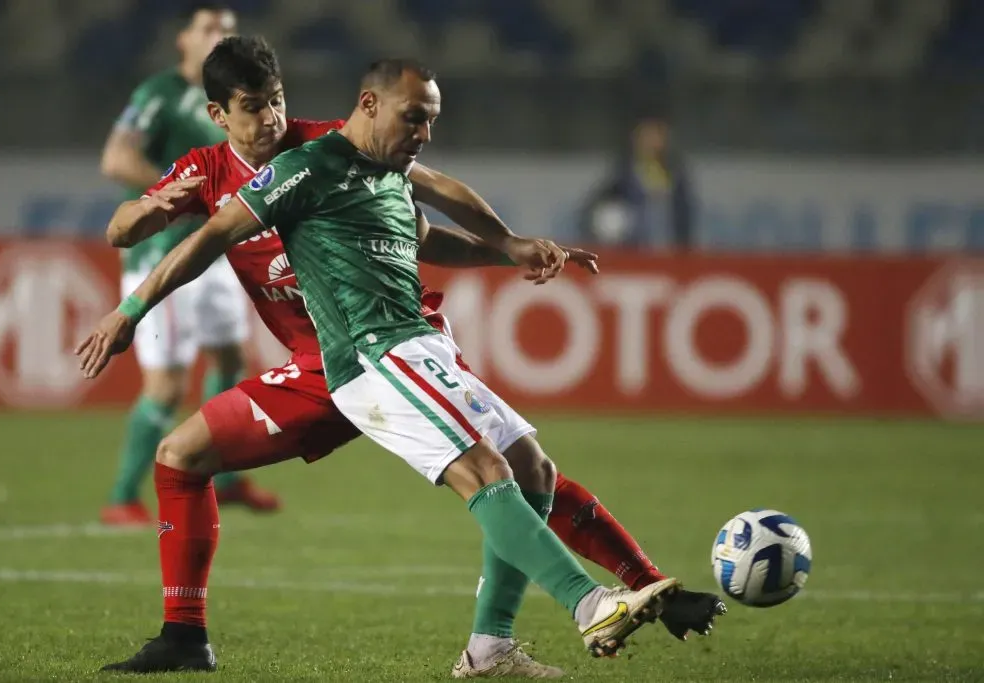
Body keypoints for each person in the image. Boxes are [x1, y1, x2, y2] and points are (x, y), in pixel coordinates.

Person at [80, 43, 724, 677]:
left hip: (396, 345)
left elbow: (425, 216)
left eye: (277, 101)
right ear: (219, 115)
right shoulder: (216, 171)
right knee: (181, 455)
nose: (271, 118)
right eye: (253, 107)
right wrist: (146, 216)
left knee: (527, 468)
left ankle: (548, 623)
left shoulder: (334, 146)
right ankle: (184, 636)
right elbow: (138, 231)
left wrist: (507, 246)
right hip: (335, 363)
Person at [98, 2, 278, 524]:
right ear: (183, 39)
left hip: (215, 249)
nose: (220, 34)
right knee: (167, 386)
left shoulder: (229, 98)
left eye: (226, 27)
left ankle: (225, 478)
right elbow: (116, 158)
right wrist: (169, 193)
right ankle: (122, 496)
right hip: (165, 252)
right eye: (208, 27)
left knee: (230, 358)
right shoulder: (162, 94)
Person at [580, 108, 694, 250]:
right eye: (647, 134)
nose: (653, 141)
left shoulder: (675, 173)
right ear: (636, 137)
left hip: (668, 248)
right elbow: (597, 212)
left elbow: (684, 216)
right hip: (634, 250)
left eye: (658, 134)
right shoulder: (622, 173)